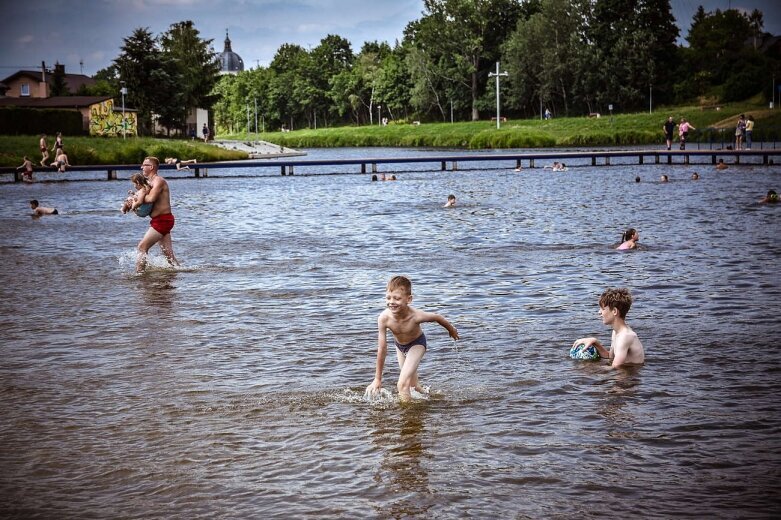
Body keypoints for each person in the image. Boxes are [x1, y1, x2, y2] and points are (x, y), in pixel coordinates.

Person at [365, 276, 459, 401]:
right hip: (400, 347)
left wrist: (451, 329)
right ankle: (433, 398)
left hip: (417, 344)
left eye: (397, 298)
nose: (391, 302)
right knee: (413, 386)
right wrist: (377, 379)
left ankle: (409, 417)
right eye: (388, 298)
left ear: (408, 299)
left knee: (402, 385)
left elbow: (437, 317)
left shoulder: (416, 316)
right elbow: (382, 349)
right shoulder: (384, 318)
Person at [572, 288, 645, 369]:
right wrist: (595, 343)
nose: (599, 312)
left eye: (602, 309)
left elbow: (616, 367)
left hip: (629, 378)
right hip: (623, 372)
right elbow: (610, 357)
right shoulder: (616, 332)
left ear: (614, 311)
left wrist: (589, 367)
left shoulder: (625, 336)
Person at [135, 156, 178, 273]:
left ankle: (139, 275)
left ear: (151, 167)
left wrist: (138, 200)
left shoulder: (159, 181)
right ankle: (181, 272)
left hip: (163, 220)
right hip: (159, 220)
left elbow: (151, 198)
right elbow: (144, 199)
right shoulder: (149, 183)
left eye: (144, 165)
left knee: (142, 247)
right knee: (169, 257)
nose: (141, 167)